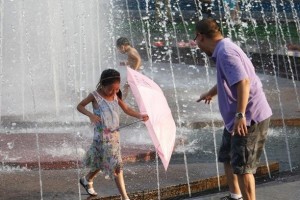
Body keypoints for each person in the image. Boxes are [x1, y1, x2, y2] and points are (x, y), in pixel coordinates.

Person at [194, 18, 272, 200]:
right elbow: (232, 78)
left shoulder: (226, 53)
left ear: (200, 36)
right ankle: (235, 196)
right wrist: (211, 93)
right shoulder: (225, 47)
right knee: (228, 157)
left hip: (248, 117)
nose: (196, 44)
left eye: (195, 39)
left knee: (244, 168)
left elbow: (244, 82)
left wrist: (240, 114)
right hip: (236, 119)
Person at [77, 68, 149, 199]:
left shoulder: (115, 95)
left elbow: (126, 108)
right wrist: (91, 115)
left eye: (116, 89)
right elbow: (80, 106)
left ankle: (87, 179)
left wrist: (140, 115)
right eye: (111, 89)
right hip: (101, 137)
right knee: (113, 165)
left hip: (114, 137)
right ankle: (125, 197)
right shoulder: (95, 95)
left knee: (105, 161)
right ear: (103, 85)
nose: (114, 92)